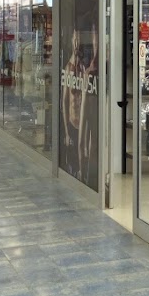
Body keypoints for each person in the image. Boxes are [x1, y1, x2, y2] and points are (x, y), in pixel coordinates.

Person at [61, 26, 84, 179]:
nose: (76, 43)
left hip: (82, 124)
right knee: (72, 161)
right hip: (71, 122)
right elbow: (64, 102)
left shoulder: (83, 68)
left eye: (79, 40)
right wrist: (66, 132)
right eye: (75, 40)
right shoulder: (68, 68)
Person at [78, 18, 99, 190]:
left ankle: (90, 178)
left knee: (93, 140)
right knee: (86, 138)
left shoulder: (93, 66)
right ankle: (86, 177)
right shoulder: (88, 67)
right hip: (91, 86)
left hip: (95, 88)